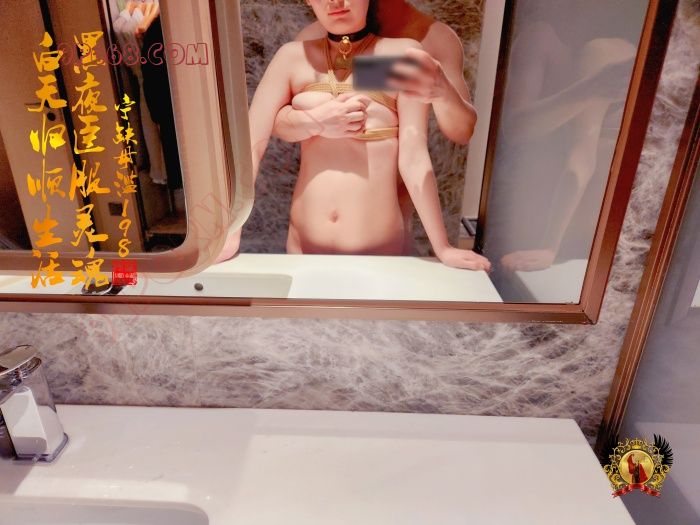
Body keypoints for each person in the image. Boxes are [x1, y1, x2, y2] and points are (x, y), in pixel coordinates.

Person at [215, 0, 490, 271]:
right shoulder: (292, 57)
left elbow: (414, 155)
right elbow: (251, 145)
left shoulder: (402, 55)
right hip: (302, 250)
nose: (336, 2)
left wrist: (442, 247)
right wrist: (231, 231)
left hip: (379, 253)